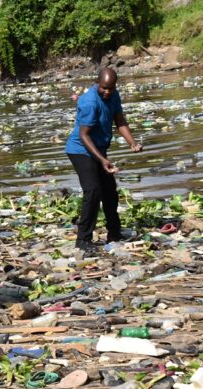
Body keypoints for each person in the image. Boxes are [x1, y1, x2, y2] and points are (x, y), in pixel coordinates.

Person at [65, 67, 144, 251]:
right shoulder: (90, 102)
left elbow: (120, 120)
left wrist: (132, 143)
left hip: (99, 148)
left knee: (109, 191)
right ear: (97, 83)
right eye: (104, 88)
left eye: (111, 88)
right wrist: (102, 160)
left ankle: (114, 233)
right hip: (80, 149)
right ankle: (83, 240)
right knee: (93, 191)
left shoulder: (114, 95)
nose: (107, 92)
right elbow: (84, 136)